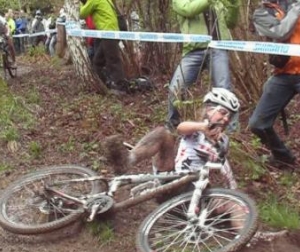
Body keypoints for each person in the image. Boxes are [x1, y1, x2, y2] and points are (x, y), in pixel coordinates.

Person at [105, 88, 239, 188]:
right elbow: (181, 128)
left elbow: (226, 172)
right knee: (164, 134)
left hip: (196, 191)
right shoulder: (195, 129)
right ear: (209, 109)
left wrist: (233, 193)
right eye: (223, 113)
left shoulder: (222, 142)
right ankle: (128, 160)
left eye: (230, 116)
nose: (226, 119)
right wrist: (203, 127)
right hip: (172, 180)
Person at [166, 0, 240, 132]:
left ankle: (229, 132)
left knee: (224, 90)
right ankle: (173, 127)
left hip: (218, 48)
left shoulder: (217, 3)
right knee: (176, 88)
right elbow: (187, 10)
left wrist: (233, 4)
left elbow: (231, 23)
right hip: (194, 50)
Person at [249, 0, 300, 167]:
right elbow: (280, 32)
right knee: (258, 124)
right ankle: (283, 158)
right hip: (283, 75)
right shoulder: (262, 13)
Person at [79, 0, 128, 93]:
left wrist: (81, 5)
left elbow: (82, 14)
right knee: (98, 61)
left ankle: (121, 88)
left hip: (108, 32)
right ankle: (109, 85)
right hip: (110, 31)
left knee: (113, 61)